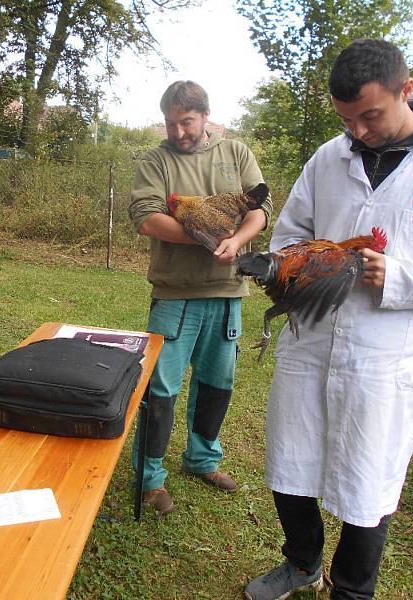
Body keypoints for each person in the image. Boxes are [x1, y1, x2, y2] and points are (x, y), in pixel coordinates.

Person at [244, 39, 413, 600]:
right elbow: (290, 231)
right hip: (312, 335)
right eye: (347, 119)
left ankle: (352, 590)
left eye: (370, 115)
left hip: (384, 348)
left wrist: (405, 279)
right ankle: (301, 563)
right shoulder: (329, 156)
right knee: (291, 457)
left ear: (407, 90)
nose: (359, 132)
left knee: (369, 477)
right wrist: (302, 263)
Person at [128, 80, 272, 515]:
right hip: (176, 294)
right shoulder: (156, 160)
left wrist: (239, 239)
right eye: (170, 123)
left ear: (205, 116)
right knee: (160, 389)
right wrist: (208, 239)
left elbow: (261, 211)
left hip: (228, 292)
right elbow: (147, 219)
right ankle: (150, 478)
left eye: (186, 122)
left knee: (217, 386)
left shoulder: (236, 153)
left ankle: (202, 459)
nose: (177, 132)